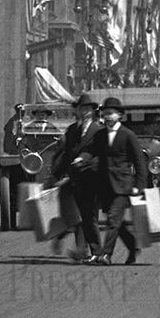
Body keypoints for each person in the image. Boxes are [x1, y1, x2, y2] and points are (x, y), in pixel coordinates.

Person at [78, 96, 148, 266]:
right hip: (105, 185)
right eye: (105, 113)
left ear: (120, 116)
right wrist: (82, 158)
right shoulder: (101, 134)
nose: (108, 117)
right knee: (117, 222)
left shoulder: (128, 135)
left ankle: (106, 255)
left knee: (113, 221)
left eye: (111, 113)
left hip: (123, 185)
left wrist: (139, 186)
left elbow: (139, 162)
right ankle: (132, 246)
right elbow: (90, 151)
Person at [50, 93, 101, 259]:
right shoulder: (72, 130)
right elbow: (66, 155)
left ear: (93, 112)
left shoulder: (99, 130)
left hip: (93, 179)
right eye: (82, 109)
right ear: (78, 111)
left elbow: (100, 154)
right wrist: (56, 175)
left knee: (89, 217)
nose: (85, 112)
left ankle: (92, 251)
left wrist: (86, 160)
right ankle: (85, 251)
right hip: (75, 180)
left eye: (88, 109)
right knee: (81, 216)